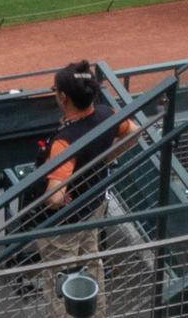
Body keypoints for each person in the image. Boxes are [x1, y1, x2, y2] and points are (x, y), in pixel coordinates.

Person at [35, 62, 137, 297]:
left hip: (64, 224)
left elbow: (54, 197)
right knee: (91, 267)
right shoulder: (106, 114)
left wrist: (60, 199)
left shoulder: (64, 142)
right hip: (93, 205)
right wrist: (106, 159)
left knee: (62, 284)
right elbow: (134, 131)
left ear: (63, 97)